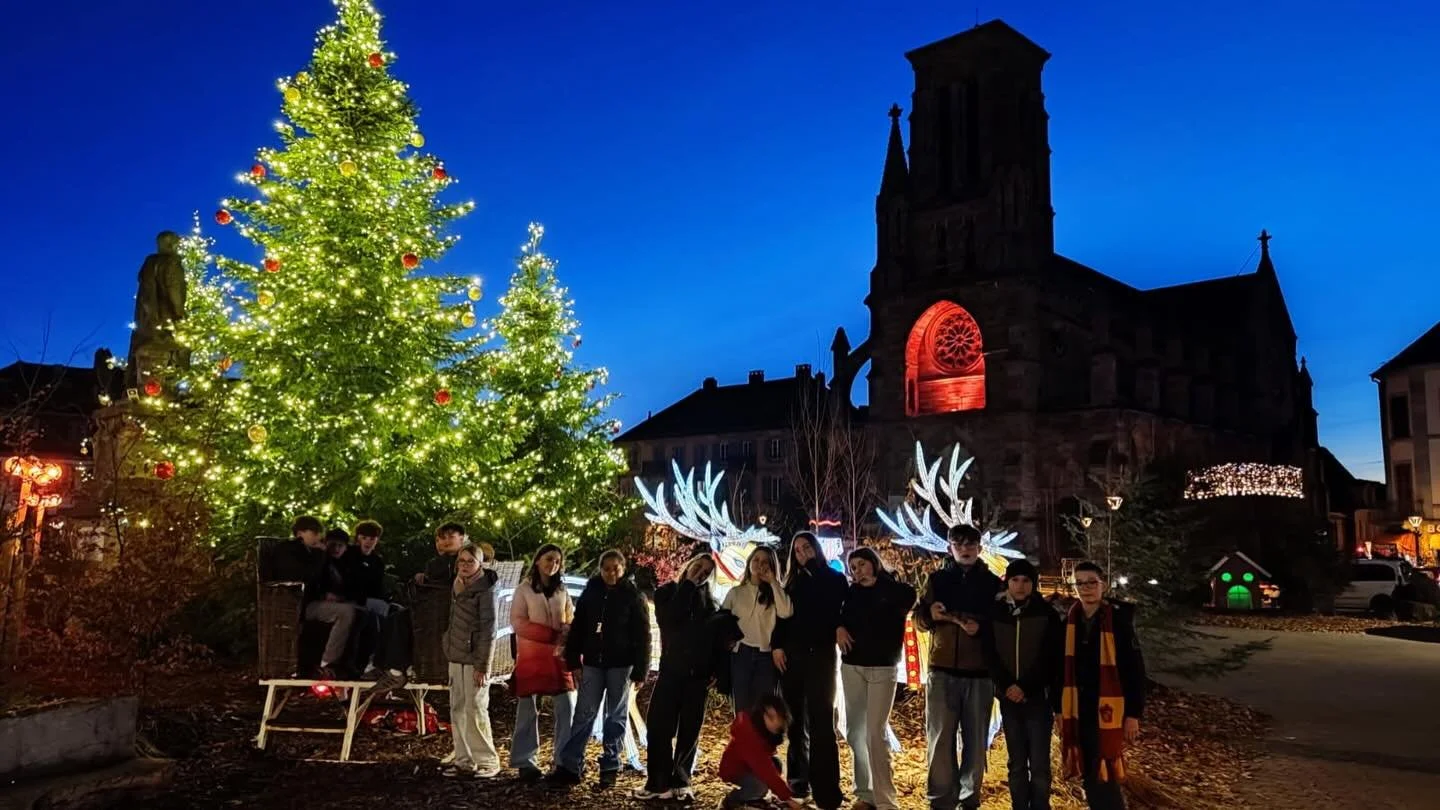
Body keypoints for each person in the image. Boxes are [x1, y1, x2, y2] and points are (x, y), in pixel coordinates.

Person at [914, 523, 1003, 810]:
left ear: (979, 548)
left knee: (976, 742)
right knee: (939, 739)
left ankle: (969, 799)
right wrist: (929, 614)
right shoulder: (937, 580)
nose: (965, 549)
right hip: (941, 670)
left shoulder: (993, 584)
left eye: (970, 544)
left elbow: (1002, 624)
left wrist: (983, 627)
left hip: (979, 673)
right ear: (950, 547)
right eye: (959, 544)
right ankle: (941, 799)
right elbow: (919, 620)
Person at [551, 549, 651, 789]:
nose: (611, 573)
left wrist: (640, 670)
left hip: (621, 664)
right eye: (606, 568)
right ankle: (571, 765)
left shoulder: (632, 596)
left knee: (615, 717)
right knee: (584, 714)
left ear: (623, 568)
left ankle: (610, 766)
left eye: (615, 568)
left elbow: (642, 635)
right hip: (594, 663)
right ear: (600, 569)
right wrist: (574, 660)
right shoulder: (591, 593)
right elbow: (579, 628)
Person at [1058, 562, 1145, 810]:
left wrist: (1133, 714)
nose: (1086, 588)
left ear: (1102, 584)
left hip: (1107, 708)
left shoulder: (1117, 621)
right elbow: (1060, 670)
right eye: (1080, 583)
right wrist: (1060, 708)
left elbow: (1134, 670)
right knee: (1088, 768)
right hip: (1079, 708)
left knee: (1104, 766)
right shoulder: (1070, 621)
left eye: (1091, 582)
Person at [771, 532, 847, 810]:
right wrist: (777, 646)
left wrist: (839, 626)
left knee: (822, 722)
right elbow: (781, 618)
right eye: (798, 550)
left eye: (807, 548)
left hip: (822, 656)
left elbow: (837, 610)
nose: (803, 553)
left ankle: (827, 791)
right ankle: (798, 785)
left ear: (816, 548)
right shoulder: (790, 583)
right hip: (792, 658)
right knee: (795, 723)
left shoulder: (834, 579)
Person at [634, 552, 718, 801]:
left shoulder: (710, 602)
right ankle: (658, 781)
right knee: (659, 726)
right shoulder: (667, 592)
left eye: (707, 572)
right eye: (699, 567)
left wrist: (716, 669)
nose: (701, 573)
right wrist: (689, 585)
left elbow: (714, 639)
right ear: (689, 565)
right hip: (672, 671)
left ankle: (682, 780)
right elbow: (670, 619)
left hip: (698, 675)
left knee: (690, 730)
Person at [837, 547, 916, 810]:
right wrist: (838, 627)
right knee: (855, 731)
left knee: (875, 732)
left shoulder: (894, 589)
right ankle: (865, 792)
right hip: (852, 666)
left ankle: (886, 799)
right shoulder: (850, 593)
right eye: (853, 567)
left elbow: (909, 598)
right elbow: (837, 616)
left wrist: (879, 583)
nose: (857, 570)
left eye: (862, 564)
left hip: (882, 668)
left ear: (873, 563)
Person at [983, 558, 1064, 810]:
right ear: (1007, 581)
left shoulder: (1046, 614)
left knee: (1039, 763)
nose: (1020, 585)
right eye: (1015, 580)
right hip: (1008, 698)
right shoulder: (995, 613)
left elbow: (1051, 657)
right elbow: (990, 654)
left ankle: (1040, 805)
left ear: (1034, 584)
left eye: (1026, 580)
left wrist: (1026, 686)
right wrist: (1007, 685)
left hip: (1037, 698)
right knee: (1016, 762)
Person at [510, 543, 577, 782]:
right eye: (549, 559)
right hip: (532, 657)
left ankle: (564, 761)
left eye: (557, 561)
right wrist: (550, 634)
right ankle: (525, 762)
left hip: (559, 658)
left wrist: (568, 631)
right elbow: (518, 621)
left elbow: (570, 616)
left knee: (566, 708)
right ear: (538, 560)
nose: (553, 564)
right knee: (527, 709)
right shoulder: (524, 590)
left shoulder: (562, 590)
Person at [441, 543, 500, 778]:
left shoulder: (485, 590)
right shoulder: (456, 584)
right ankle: (464, 759)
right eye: (461, 561)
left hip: (474, 656)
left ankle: (486, 759)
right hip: (456, 654)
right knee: (458, 708)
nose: (465, 566)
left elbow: (489, 628)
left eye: (470, 561)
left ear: (479, 564)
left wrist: (483, 664)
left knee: (476, 708)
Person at [276, 516, 358, 680]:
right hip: (298, 605)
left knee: (359, 612)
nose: (317, 537)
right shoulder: (289, 550)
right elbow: (305, 576)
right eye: (313, 533)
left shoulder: (312, 552)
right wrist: (320, 555)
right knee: (346, 612)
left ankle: (353, 663)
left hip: (314, 600)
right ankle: (327, 662)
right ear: (300, 533)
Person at [721, 545, 792, 717]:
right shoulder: (736, 592)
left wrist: (773, 582)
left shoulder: (775, 593)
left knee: (763, 711)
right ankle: (743, 743)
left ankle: (761, 744)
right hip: (741, 654)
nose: (760, 564)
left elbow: (786, 611)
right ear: (749, 562)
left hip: (765, 656)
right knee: (742, 711)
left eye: (765, 562)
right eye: (756, 560)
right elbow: (722, 621)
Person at [717, 694, 804, 810]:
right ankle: (731, 800)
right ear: (762, 713)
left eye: (778, 717)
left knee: (776, 764)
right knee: (760, 787)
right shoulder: (749, 734)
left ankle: (754, 798)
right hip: (735, 769)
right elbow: (764, 768)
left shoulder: (765, 730)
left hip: (749, 766)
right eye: (770, 717)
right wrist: (787, 797)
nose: (776, 722)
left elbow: (766, 764)